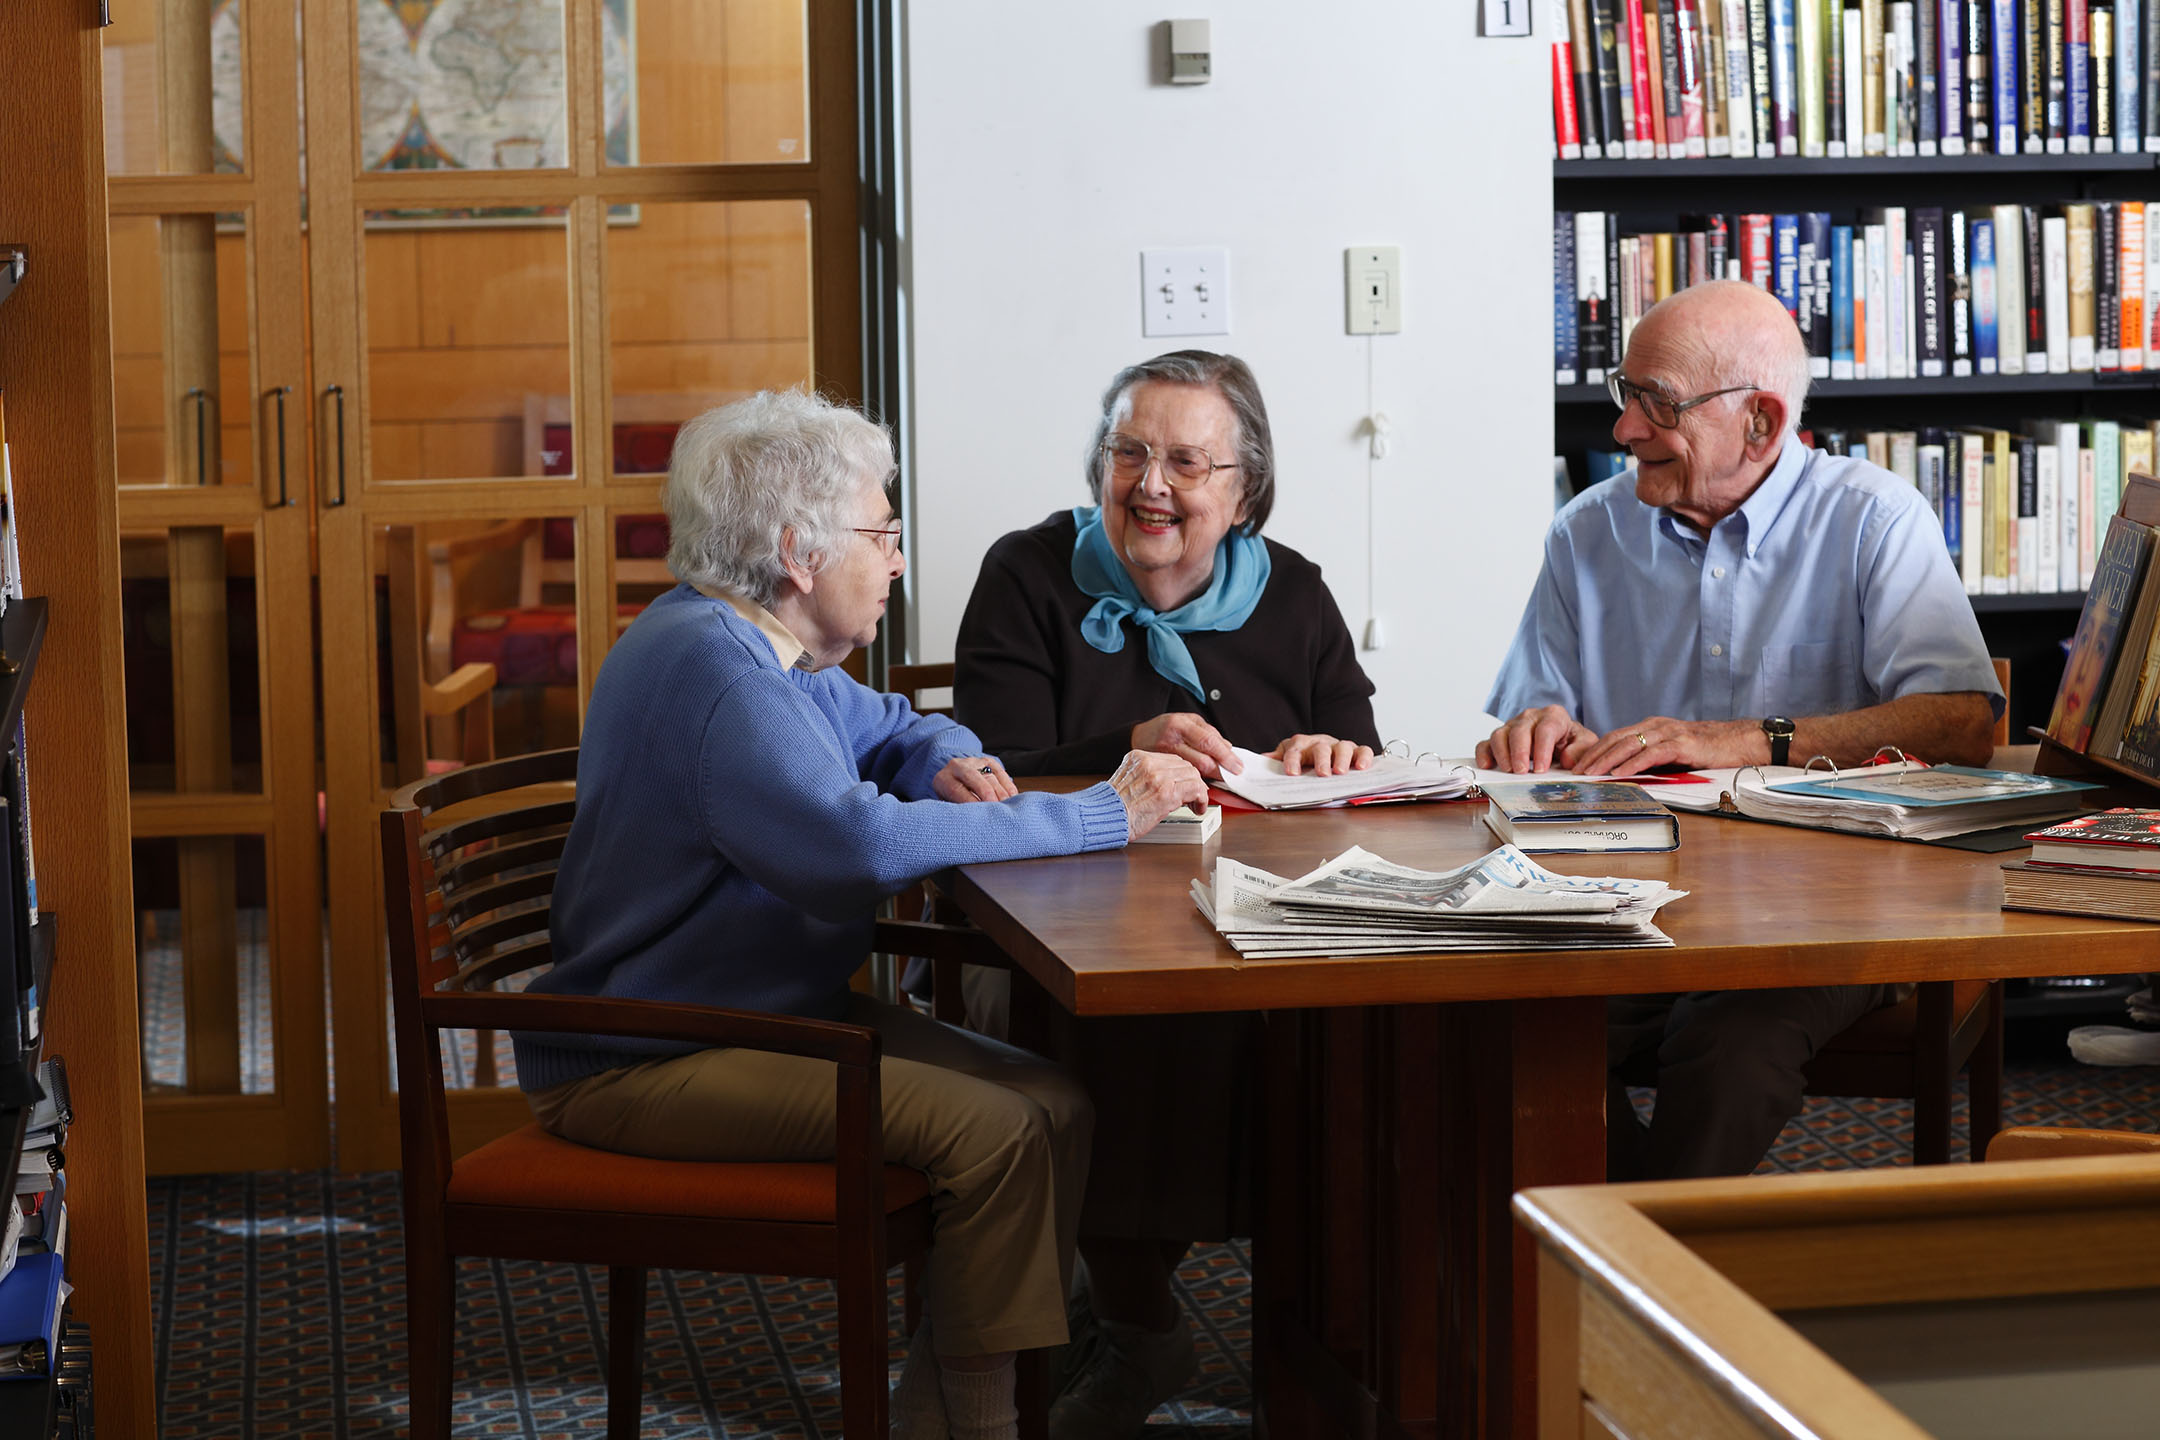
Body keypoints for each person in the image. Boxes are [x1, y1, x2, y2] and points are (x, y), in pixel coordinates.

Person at [514, 390, 1209, 1440]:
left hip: (745, 1015)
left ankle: (946, 1413)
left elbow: (893, 727)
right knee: (1001, 1132)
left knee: (1054, 1104)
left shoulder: (756, 647)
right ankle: (976, 1422)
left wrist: (948, 760)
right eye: (882, 534)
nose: (896, 563)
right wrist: (1095, 816)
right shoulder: (717, 671)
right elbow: (857, 850)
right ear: (799, 551)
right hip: (642, 1055)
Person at [1477, 280, 2002, 1182]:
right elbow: (1538, 712)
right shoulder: (1586, 533)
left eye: (1659, 403)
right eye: (1626, 393)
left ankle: (1633, 1274)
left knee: (1728, 1047)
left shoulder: (1875, 518)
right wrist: (1539, 727)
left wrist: (1751, 739)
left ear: (1760, 423)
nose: (1624, 430)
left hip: (1826, 908)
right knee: (1485, 1027)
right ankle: (1635, 1249)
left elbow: (1961, 723)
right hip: (1627, 898)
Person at [954, 350, 1381, 1440]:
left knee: (1355, 1048)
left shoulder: (1296, 591)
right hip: (1069, 922)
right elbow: (987, 773)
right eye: (1129, 452)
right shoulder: (1029, 573)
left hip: (1269, 920)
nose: (1151, 483)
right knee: (1110, 1042)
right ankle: (1146, 1330)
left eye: (1186, 461)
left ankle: (1329, 1343)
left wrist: (1336, 754)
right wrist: (1125, 747)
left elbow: (1368, 763)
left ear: (1243, 492)